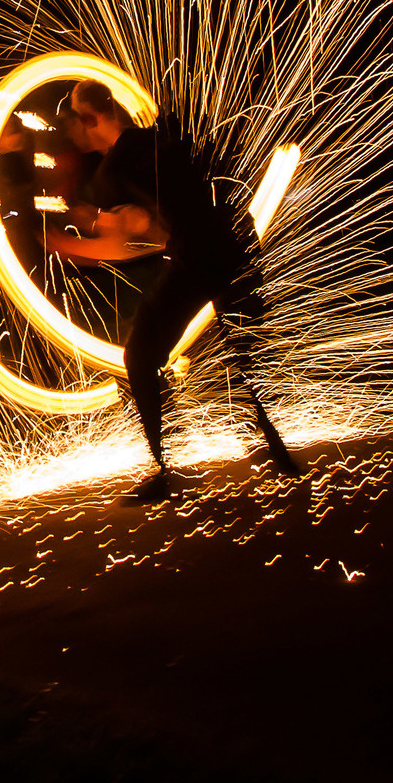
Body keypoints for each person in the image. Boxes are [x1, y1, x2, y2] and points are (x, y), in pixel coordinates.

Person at [47, 79, 299, 503]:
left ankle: (164, 470)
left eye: (76, 119)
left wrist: (66, 245)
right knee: (245, 353)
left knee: (139, 356)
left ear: (91, 118)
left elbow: (136, 240)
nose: (74, 130)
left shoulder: (117, 167)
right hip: (238, 244)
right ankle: (277, 452)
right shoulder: (161, 139)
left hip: (200, 256)